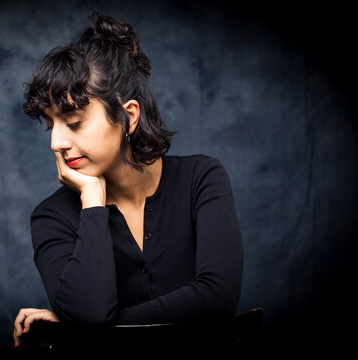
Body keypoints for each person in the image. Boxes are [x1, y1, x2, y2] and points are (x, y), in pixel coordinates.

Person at [13, 12, 243, 349]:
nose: (56, 143)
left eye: (74, 122)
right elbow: (90, 312)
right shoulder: (52, 217)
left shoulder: (201, 178)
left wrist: (79, 331)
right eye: (51, 125)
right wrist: (92, 200)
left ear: (127, 116)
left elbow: (218, 297)